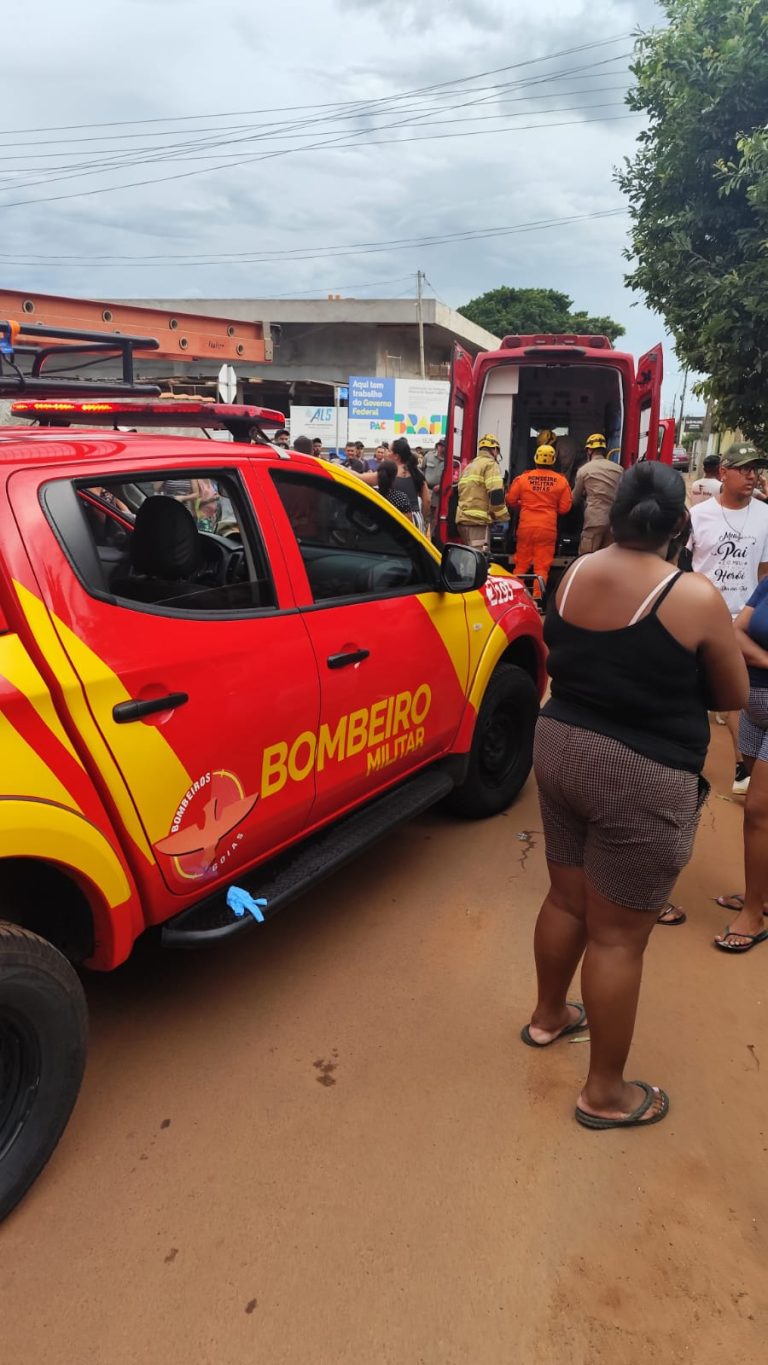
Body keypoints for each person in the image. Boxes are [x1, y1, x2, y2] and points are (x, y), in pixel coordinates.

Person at [523, 461, 747, 1129]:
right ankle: (605, 1093)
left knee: (565, 895)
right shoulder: (694, 595)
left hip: (558, 744)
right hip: (639, 771)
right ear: (681, 523)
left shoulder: (572, 576)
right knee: (618, 938)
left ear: (612, 514)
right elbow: (732, 695)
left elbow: (563, 651)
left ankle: (547, 1016)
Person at [688, 442, 768, 794]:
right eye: (744, 468)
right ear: (723, 473)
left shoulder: (766, 517)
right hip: (699, 616)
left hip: (739, 623)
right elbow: (683, 565)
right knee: (689, 690)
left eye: (756, 469)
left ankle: (741, 767)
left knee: (735, 694)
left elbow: (764, 575)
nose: (752, 475)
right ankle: (685, 760)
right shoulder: (698, 515)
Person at [713, 583, 768, 951]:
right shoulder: (767, 586)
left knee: (758, 812)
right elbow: (734, 632)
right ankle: (761, 894)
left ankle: (752, 913)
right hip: (754, 711)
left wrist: (754, 652)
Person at [506, 444, 572, 599]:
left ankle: (517, 597)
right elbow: (564, 508)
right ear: (553, 461)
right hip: (547, 529)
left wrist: (522, 507)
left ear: (535, 459)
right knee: (541, 566)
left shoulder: (522, 479)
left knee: (521, 564)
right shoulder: (561, 481)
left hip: (526, 527)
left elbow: (510, 499)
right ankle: (537, 597)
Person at [572, 433, 622, 552]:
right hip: (614, 521)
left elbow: (574, 499)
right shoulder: (619, 469)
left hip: (594, 520)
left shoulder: (584, 470)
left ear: (589, 450)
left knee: (586, 558)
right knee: (608, 560)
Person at [455, 434, 506, 550]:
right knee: (478, 559)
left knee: (469, 557)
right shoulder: (490, 465)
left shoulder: (469, 466)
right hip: (477, 523)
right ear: (494, 449)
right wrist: (503, 516)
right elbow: (496, 494)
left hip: (463, 521)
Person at [391, 436, 430, 531]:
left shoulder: (389, 472)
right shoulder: (417, 472)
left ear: (396, 455)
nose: (386, 453)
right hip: (415, 518)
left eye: (388, 450)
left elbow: (363, 478)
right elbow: (427, 501)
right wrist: (422, 518)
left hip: (393, 517)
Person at [423, 438, 446, 538]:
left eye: (444, 446)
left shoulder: (450, 460)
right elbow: (421, 469)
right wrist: (422, 483)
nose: (441, 448)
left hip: (439, 493)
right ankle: (421, 537)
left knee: (435, 518)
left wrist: (442, 486)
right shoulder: (429, 456)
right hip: (427, 489)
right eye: (440, 445)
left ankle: (430, 539)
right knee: (424, 515)